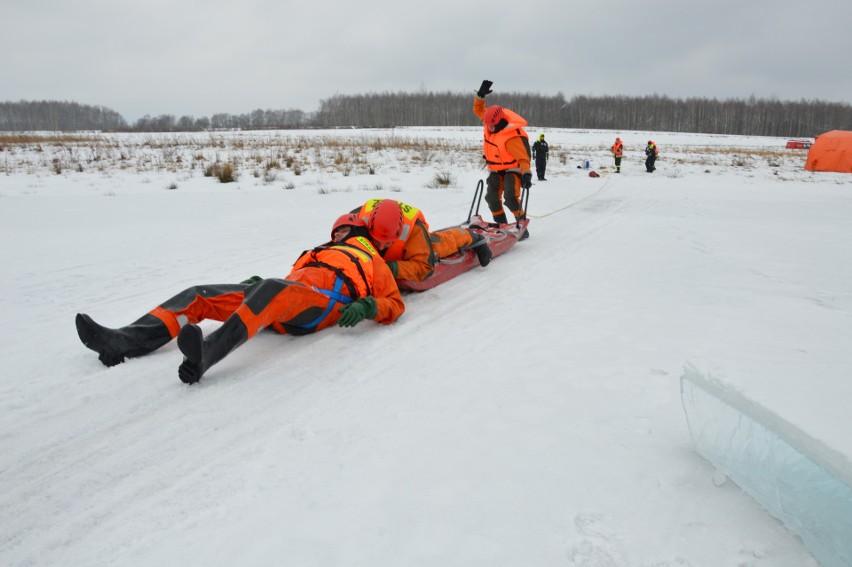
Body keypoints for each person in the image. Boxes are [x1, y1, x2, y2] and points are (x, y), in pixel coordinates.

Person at [75, 215, 404, 384]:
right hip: (280, 298)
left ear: (352, 230)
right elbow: (294, 281)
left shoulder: (372, 259)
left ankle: (206, 354)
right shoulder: (316, 253)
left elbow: (395, 303)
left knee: (274, 288)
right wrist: (258, 284)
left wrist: (370, 306)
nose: (335, 237)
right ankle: (125, 340)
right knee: (198, 295)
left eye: (340, 232)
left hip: (320, 308)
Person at [351, 198, 492, 283]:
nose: (381, 247)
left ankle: (472, 236)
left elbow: (424, 269)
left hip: (409, 248)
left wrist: (391, 268)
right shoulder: (355, 221)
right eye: (377, 241)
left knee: (437, 246)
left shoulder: (414, 230)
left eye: (387, 242)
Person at [472, 79, 532, 232]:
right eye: (488, 125)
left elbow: (523, 158)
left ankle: (522, 227)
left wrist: (527, 174)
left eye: (492, 125)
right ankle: (503, 226)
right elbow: (479, 110)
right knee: (491, 199)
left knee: (511, 198)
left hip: (513, 170)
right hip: (495, 169)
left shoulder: (512, 136)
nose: (489, 128)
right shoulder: (489, 122)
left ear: (499, 122)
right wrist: (480, 95)